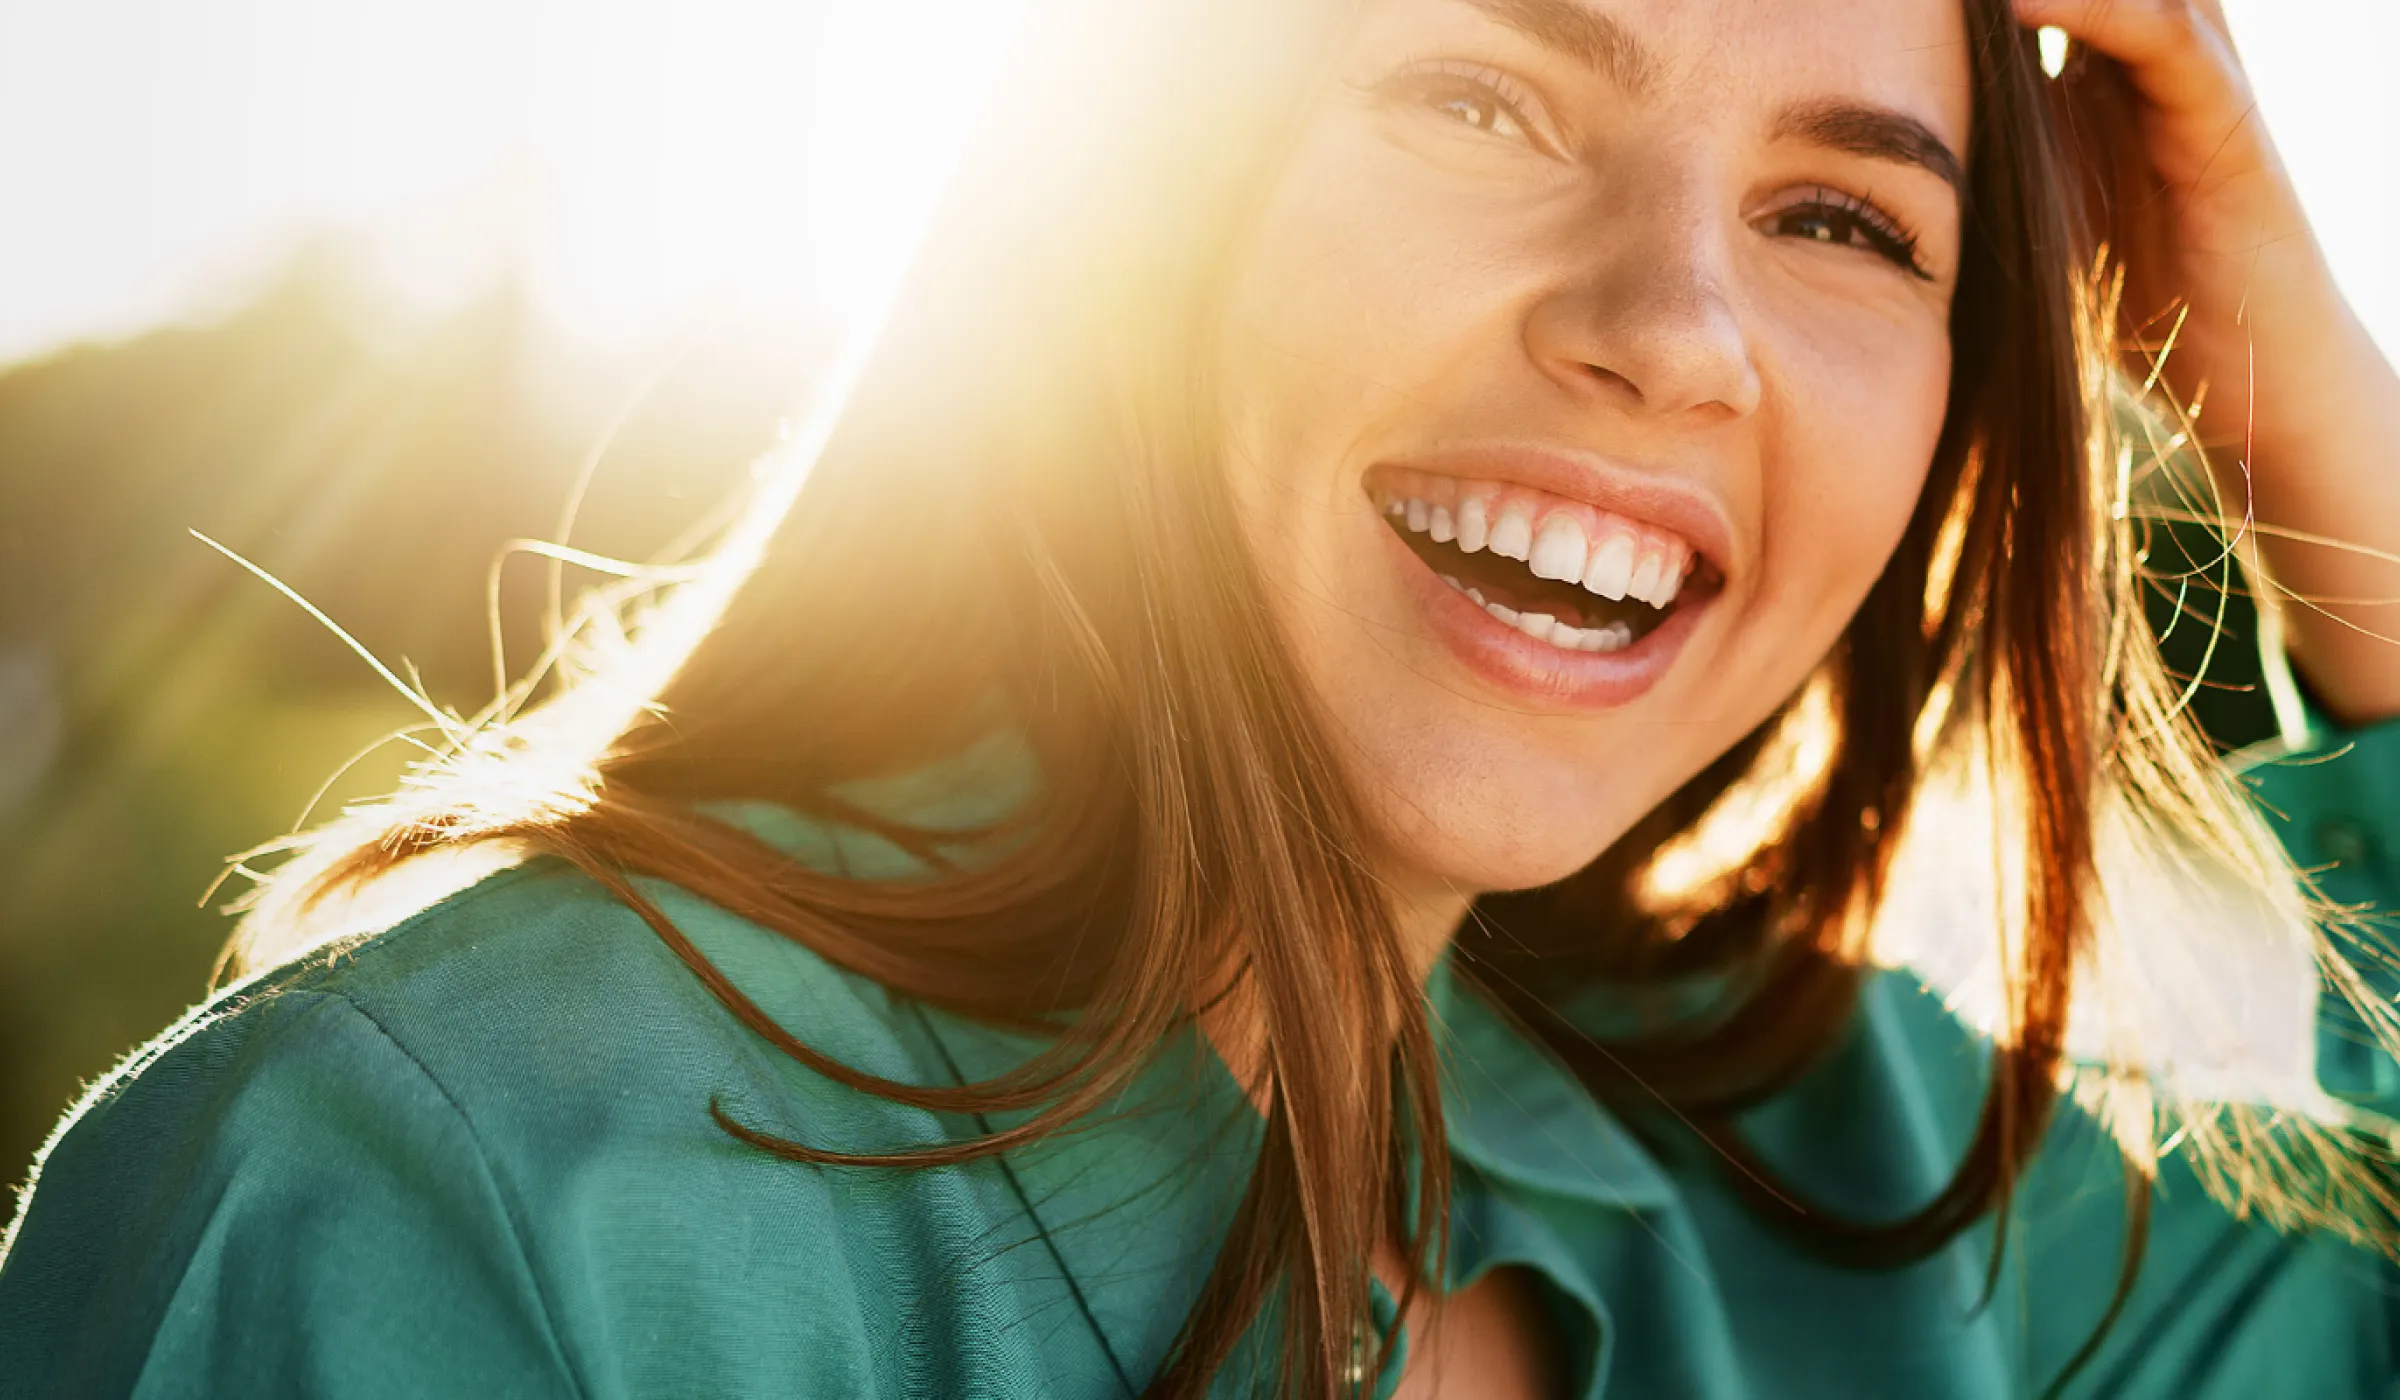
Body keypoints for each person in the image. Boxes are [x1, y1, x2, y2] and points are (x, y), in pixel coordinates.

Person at [7, 0, 2400, 1394]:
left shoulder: (1855, 1190)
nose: (1676, 324)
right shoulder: (453, 1211)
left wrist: (2303, 380)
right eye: (1488, 95)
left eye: (1847, 218)